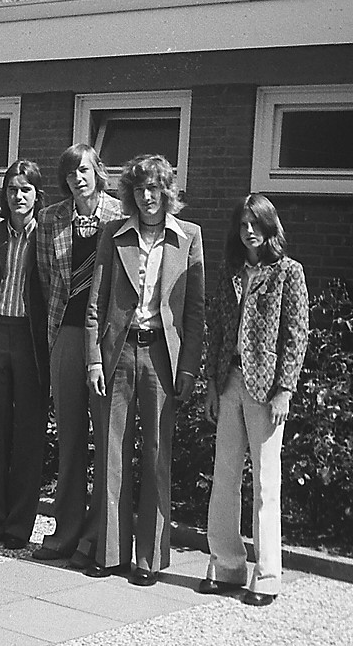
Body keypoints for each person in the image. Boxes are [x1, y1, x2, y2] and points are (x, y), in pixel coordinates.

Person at [84, 154, 204, 586]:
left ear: (166, 191)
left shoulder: (189, 237)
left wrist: (188, 369)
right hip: (117, 354)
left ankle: (149, 559)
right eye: (139, 190)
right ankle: (110, 553)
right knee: (111, 452)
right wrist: (94, 359)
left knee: (156, 456)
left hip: (161, 358)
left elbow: (195, 312)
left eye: (154, 188)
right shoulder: (114, 234)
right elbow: (96, 304)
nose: (147, 197)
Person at [199, 194, 308, 607]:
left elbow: (296, 335)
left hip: (267, 391)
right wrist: (212, 383)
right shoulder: (231, 270)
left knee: (265, 483)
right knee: (224, 477)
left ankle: (267, 575)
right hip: (230, 382)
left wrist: (285, 390)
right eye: (243, 224)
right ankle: (227, 565)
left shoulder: (288, 273)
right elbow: (217, 326)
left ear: (269, 226)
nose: (249, 231)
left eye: (255, 224)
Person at [32, 144, 125, 564]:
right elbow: (47, 279)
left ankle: (97, 539)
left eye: (84, 170)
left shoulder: (120, 216)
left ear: (97, 171)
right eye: (71, 173)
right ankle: (65, 532)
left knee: (106, 439)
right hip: (66, 334)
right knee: (69, 438)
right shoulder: (51, 219)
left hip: (108, 338)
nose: (78, 179)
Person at [0, 160, 49, 550]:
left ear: (37, 195)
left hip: (31, 338)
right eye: (12, 189)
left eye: (26, 189)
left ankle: (19, 525)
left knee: (28, 432)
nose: (18, 196)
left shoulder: (47, 236)